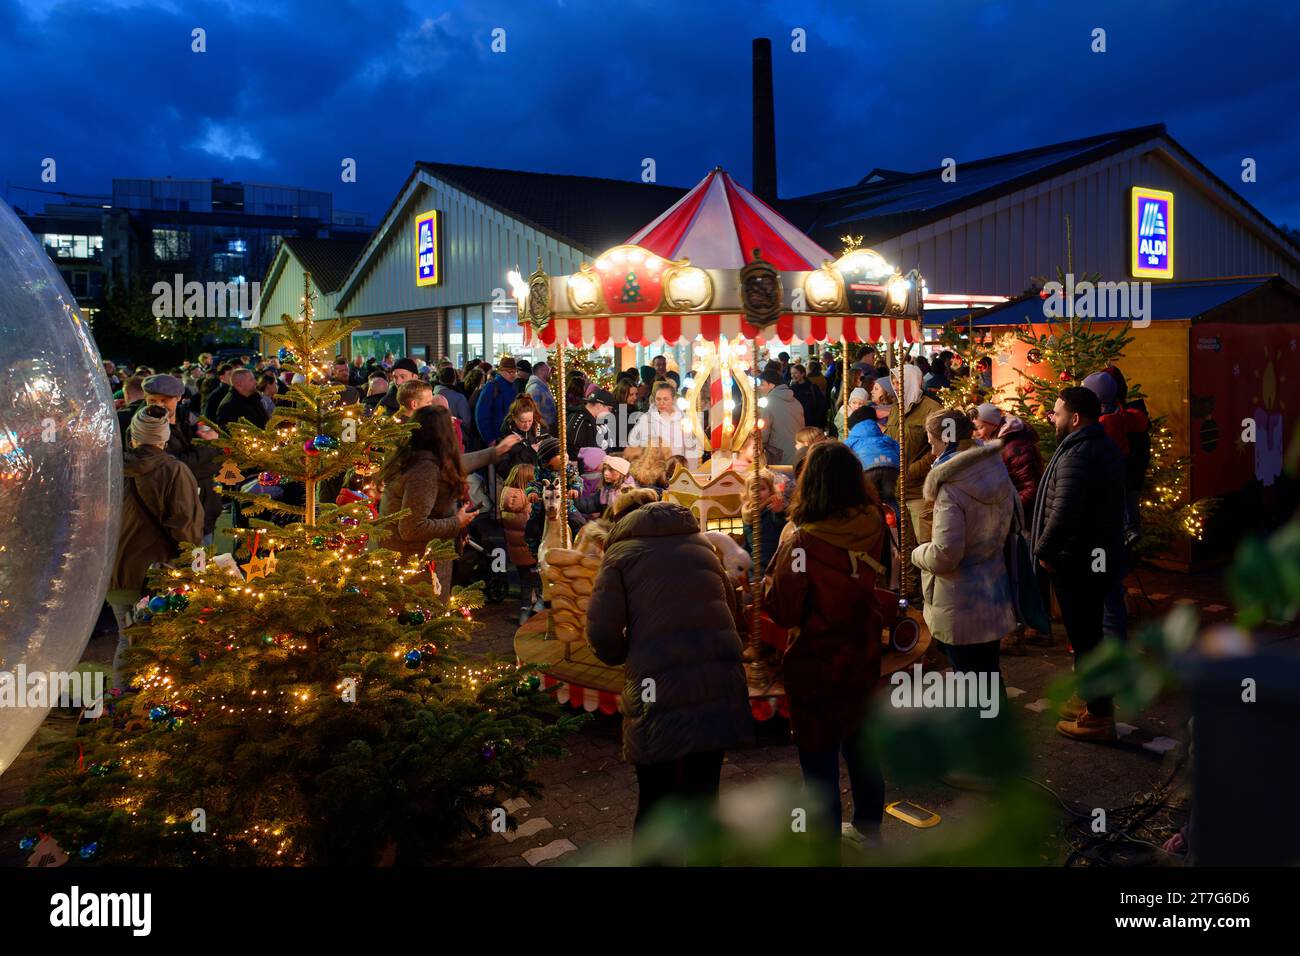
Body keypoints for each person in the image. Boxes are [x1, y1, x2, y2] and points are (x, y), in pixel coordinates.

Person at [586, 490, 754, 838]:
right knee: (705, 797)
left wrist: (623, 654)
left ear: (620, 519)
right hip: (716, 680)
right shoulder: (700, 545)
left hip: (657, 689)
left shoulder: (619, 555)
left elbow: (602, 633)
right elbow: (733, 610)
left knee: (656, 800)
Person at [763, 441, 887, 848]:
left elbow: (783, 610)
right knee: (862, 743)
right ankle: (869, 830)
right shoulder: (874, 524)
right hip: (863, 650)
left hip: (817, 661)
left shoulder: (801, 543)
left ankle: (824, 844)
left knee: (818, 759)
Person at [1032, 387, 1126, 743]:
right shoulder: (1099, 446)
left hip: (1078, 561)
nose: (1052, 419)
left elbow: (1064, 512)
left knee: (1086, 638)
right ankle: (1089, 697)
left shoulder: (1078, 454)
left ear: (1074, 418)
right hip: (1094, 556)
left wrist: (1043, 550)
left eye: (1056, 413)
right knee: (1088, 635)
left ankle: (1099, 717)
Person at [910, 409, 1016, 703]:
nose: (931, 452)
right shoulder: (993, 466)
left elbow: (946, 554)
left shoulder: (951, 487)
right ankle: (997, 733)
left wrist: (917, 554)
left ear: (945, 441)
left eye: (932, 443)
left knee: (970, 679)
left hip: (962, 599)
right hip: (992, 589)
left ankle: (984, 740)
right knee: (988, 674)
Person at [106, 405, 205, 692]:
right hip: (160, 574)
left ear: (133, 437)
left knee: (128, 640)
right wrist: (193, 566)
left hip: (118, 572)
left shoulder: (113, 470)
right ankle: (150, 709)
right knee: (163, 644)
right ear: (164, 437)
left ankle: (121, 709)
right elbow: (186, 527)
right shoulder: (174, 471)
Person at [378, 406, 521, 595]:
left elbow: (456, 464)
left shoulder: (417, 458)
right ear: (443, 433)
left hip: (413, 564)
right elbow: (411, 528)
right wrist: (457, 522)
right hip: (418, 571)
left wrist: (494, 452)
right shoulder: (425, 471)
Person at [973, 402, 1047, 654]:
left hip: (1024, 519)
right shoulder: (997, 445)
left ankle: (1036, 627)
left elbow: (1030, 486)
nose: (977, 432)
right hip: (1013, 518)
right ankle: (1027, 627)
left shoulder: (1016, 447)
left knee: (1028, 571)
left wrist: (1011, 509)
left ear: (993, 426)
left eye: (980, 427)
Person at [884, 363, 942, 553]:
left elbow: (940, 448)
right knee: (904, 547)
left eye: (899, 380)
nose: (895, 384)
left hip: (918, 491)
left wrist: (913, 470)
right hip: (897, 490)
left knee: (923, 547)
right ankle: (908, 584)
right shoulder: (895, 409)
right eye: (893, 380)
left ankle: (924, 584)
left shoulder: (931, 409)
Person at [499, 463, 542, 625]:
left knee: (524, 581)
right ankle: (538, 614)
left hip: (515, 550)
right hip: (532, 548)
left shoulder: (505, 495)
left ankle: (524, 613)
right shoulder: (530, 498)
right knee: (538, 582)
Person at [626, 380, 698, 464]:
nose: (661, 403)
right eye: (658, 399)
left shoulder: (683, 419)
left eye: (665, 399)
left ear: (673, 399)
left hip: (677, 468)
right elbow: (632, 444)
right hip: (653, 469)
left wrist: (690, 470)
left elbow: (691, 447)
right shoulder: (645, 419)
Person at [845, 405, 901, 503]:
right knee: (889, 497)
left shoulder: (852, 439)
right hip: (890, 466)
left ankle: (871, 516)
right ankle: (897, 516)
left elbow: (843, 453)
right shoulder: (884, 437)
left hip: (867, 467)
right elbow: (898, 448)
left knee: (867, 498)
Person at [756, 362, 804, 465]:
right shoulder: (795, 400)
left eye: (762, 384)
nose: (760, 387)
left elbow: (763, 433)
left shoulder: (767, 403)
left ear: (771, 385)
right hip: (799, 450)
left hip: (779, 453)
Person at [473, 357, 520, 448]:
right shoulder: (491, 387)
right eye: (510, 372)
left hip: (511, 438)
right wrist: (490, 439)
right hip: (496, 438)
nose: (513, 375)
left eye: (515, 372)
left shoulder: (514, 387)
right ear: (500, 371)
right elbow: (481, 415)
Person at [498, 395, 546, 475]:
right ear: (514, 417)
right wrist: (530, 451)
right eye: (523, 421)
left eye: (530, 421)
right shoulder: (505, 436)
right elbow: (503, 469)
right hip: (518, 482)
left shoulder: (539, 429)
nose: (527, 425)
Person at [567, 387, 614, 455]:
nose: (610, 413)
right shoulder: (581, 421)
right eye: (609, 409)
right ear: (599, 406)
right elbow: (574, 452)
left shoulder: (593, 420)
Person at [790, 363, 827, 432]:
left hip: (812, 422)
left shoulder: (812, 387)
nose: (793, 376)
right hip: (798, 421)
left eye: (795, 373)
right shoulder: (792, 389)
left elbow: (821, 404)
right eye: (791, 374)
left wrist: (818, 422)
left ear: (803, 374)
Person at [524, 361, 557, 434]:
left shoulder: (542, 387)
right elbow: (534, 412)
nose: (550, 373)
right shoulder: (535, 388)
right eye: (548, 370)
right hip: (542, 430)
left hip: (547, 428)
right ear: (541, 371)